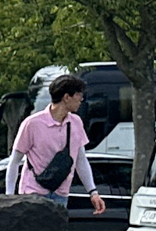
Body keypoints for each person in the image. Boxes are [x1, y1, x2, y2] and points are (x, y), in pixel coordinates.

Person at [10, 73, 106, 218]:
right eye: (79, 95)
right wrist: (9, 197)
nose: (81, 100)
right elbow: (15, 161)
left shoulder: (76, 122)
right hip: (33, 193)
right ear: (67, 97)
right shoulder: (32, 123)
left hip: (61, 194)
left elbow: (80, 159)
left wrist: (93, 192)